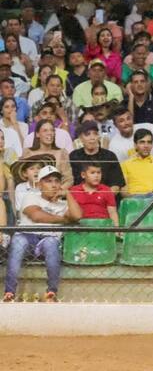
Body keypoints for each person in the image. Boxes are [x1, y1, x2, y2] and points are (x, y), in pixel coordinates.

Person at [4, 164, 81, 303]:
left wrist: (68, 194)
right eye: (48, 181)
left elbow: (77, 216)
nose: (54, 185)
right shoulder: (31, 197)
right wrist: (63, 219)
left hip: (48, 238)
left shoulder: (63, 204)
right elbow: (36, 216)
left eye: (57, 181)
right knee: (18, 241)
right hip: (26, 236)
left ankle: (51, 292)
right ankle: (9, 292)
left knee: (51, 243)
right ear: (39, 185)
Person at [68, 121, 125, 193]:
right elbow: (71, 183)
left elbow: (116, 185)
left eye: (95, 134)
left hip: (105, 198)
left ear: (98, 136)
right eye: (87, 134)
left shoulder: (109, 156)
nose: (92, 138)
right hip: (81, 198)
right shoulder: (74, 156)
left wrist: (102, 198)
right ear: (81, 138)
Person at [120, 128, 153, 200]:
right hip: (134, 199)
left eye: (149, 142)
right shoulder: (125, 164)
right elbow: (124, 191)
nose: (146, 145)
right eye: (142, 142)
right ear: (135, 145)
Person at [68, 161, 118, 227]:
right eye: (92, 173)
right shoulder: (73, 191)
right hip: (80, 228)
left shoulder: (106, 190)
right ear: (83, 175)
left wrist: (116, 230)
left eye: (98, 173)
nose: (96, 176)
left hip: (102, 227)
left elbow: (112, 213)